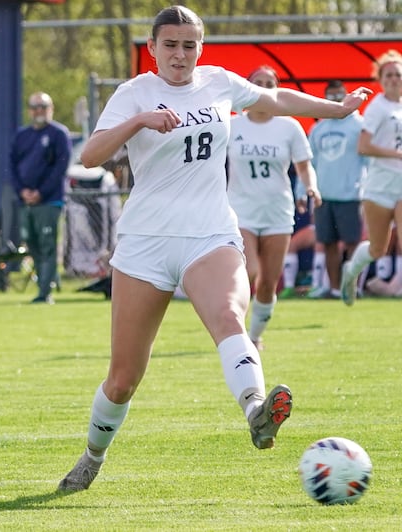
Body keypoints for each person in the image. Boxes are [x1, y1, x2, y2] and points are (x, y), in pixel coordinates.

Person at [57, 5, 370, 492]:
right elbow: (91, 155)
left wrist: (338, 108)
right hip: (145, 242)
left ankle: (256, 410)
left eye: (189, 44)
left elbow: (276, 97)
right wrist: (139, 120)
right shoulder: (134, 92)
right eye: (170, 45)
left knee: (228, 315)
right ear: (154, 49)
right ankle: (92, 458)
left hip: (211, 232)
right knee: (122, 379)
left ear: (200, 47)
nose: (180, 54)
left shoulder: (219, 81)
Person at [226, 65, 321, 348]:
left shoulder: (289, 126)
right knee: (249, 270)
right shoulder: (232, 125)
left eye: (270, 83)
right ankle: (235, 334)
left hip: (278, 211)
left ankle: (254, 337)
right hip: (240, 209)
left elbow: (304, 167)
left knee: (268, 282)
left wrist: (310, 187)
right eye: (259, 82)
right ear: (248, 87)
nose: (265, 86)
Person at [341, 50, 402, 306]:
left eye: (398, 74)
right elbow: (363, 146)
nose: (394, 79)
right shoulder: (378, 106)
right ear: (380, 79)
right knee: (378, 249)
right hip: (378, 186)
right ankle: (351, 273)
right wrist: (397, 155)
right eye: (388, 75)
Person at [9, 91, 72, 304]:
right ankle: (43, 285)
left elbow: (60, 168)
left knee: (48, 245)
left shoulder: (58, 134)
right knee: (33, 245)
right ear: (29, 110)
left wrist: (41, 192)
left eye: (43, 107)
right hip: (25, 202)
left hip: (49, 201)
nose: (39, 111)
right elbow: (12, 167)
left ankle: (45, 292)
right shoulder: (22, 135)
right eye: (35, 107)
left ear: (50, 109)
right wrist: (22, 191)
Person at [306, 80, 366, 300]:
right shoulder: (318, 128)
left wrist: (367, 190)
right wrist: (303, 191)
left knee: (352, 243)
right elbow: (308, 163)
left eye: (339, 95)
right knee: (328, 243)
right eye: (330, 96)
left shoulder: (359, 125)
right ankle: (333, 288)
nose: (335, 100)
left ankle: (352, 286)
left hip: (351, 195)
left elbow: (368, 161)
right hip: (324, 196)